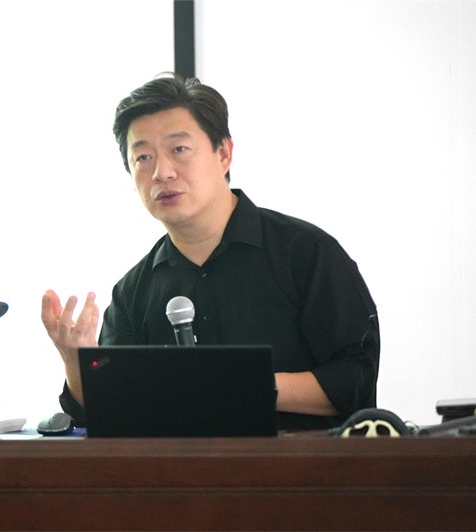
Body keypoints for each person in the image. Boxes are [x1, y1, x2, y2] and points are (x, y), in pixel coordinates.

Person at [41, 73, 379, 431]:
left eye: (179, 150)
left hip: (299, 463)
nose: (162, 173)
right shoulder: (132, 293)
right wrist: (76, 363)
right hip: (178, 468)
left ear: (223, 154)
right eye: (143, 157)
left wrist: (236, 383)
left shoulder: (306, 253)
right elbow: (112, 414)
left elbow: (354, 382)